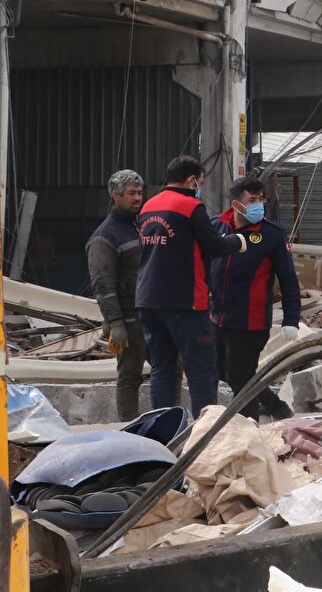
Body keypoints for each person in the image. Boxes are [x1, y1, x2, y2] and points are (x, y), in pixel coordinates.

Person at [136, 155, 246, 416]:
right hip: (184, 301)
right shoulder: (190, 206)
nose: (200, 187)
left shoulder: (148, 207)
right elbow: (215, 246)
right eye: (200, 182)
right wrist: (238, 240)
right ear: (190, 180)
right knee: (202, 369)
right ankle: (204, 434)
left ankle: (164, 430)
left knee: (163, 367)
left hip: (149, 300)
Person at [209, 176, 301, 421]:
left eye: (261, 199)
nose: (258, 204)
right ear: (236, 203)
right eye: (252, 200)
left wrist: (291, 319)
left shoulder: (271, 234)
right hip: (217, 317)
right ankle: (274, 405)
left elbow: (289, 279)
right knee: (221, 371)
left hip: (251, 321)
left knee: (240, 377)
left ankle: (249, 428)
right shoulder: (217, 226)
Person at [85, 169, 147, 421]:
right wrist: (117, 323)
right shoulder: (105, 237)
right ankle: (130, 425)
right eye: (131, 193)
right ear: (115, 196)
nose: (137, 198)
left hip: (149, 312)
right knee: (130, 376)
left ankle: (169, 421)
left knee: (170, 368)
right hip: (129, 317)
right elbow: (103, 284)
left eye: (140, 193)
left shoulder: (139, 226)